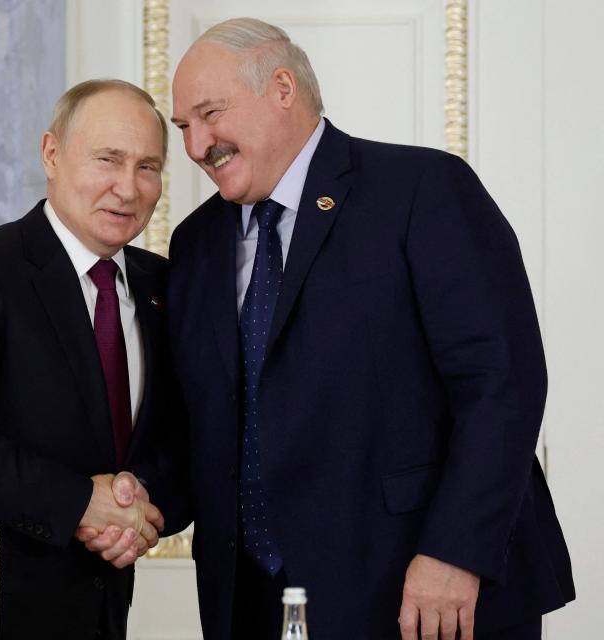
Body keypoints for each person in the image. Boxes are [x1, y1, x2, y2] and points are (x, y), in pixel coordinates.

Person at [165, 17, 575, 640]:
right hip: (253, 603)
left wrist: (455, 551)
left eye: (209, 114)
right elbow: (203, 421)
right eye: (183, 129)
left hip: (420, 593)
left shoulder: (422, 190)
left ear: (282, 88)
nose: (196, 145)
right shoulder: (194, 243)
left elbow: (502, 384)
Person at [0, 79, 186, 640]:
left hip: (101, 608)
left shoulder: (164, 287)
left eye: (148, 167)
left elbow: (185, 438)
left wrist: (138, 509)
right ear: (51, 154)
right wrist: (81, 504)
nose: (127, 188)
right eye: (108, 159)